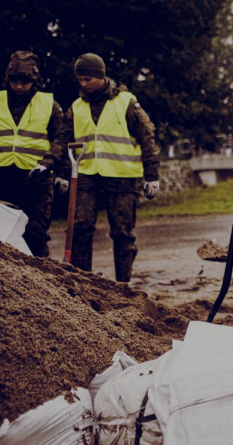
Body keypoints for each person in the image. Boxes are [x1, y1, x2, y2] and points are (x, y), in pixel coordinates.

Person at [52, 53, 160, 282]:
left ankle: (124, 284)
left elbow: (147, 139)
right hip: (86, 175)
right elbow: (63, 139)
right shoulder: (77, 107)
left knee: (122, 233)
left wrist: (152, 176)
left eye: (88, 79)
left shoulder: (126, 102)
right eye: (80, 80)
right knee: (80, 229)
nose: (83, 84)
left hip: (121, 177)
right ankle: (83, 281)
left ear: (101, 76)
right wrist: (61, 173)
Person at [0, 51, 66, 256]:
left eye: (25, 82)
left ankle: (41, 280)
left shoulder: (49, 105)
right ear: (7, 79)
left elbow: (61, 139)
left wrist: (53, 166)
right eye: (15, 81)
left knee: (35, 235)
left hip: (36, 178)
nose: (19, 86)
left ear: (34, 80)